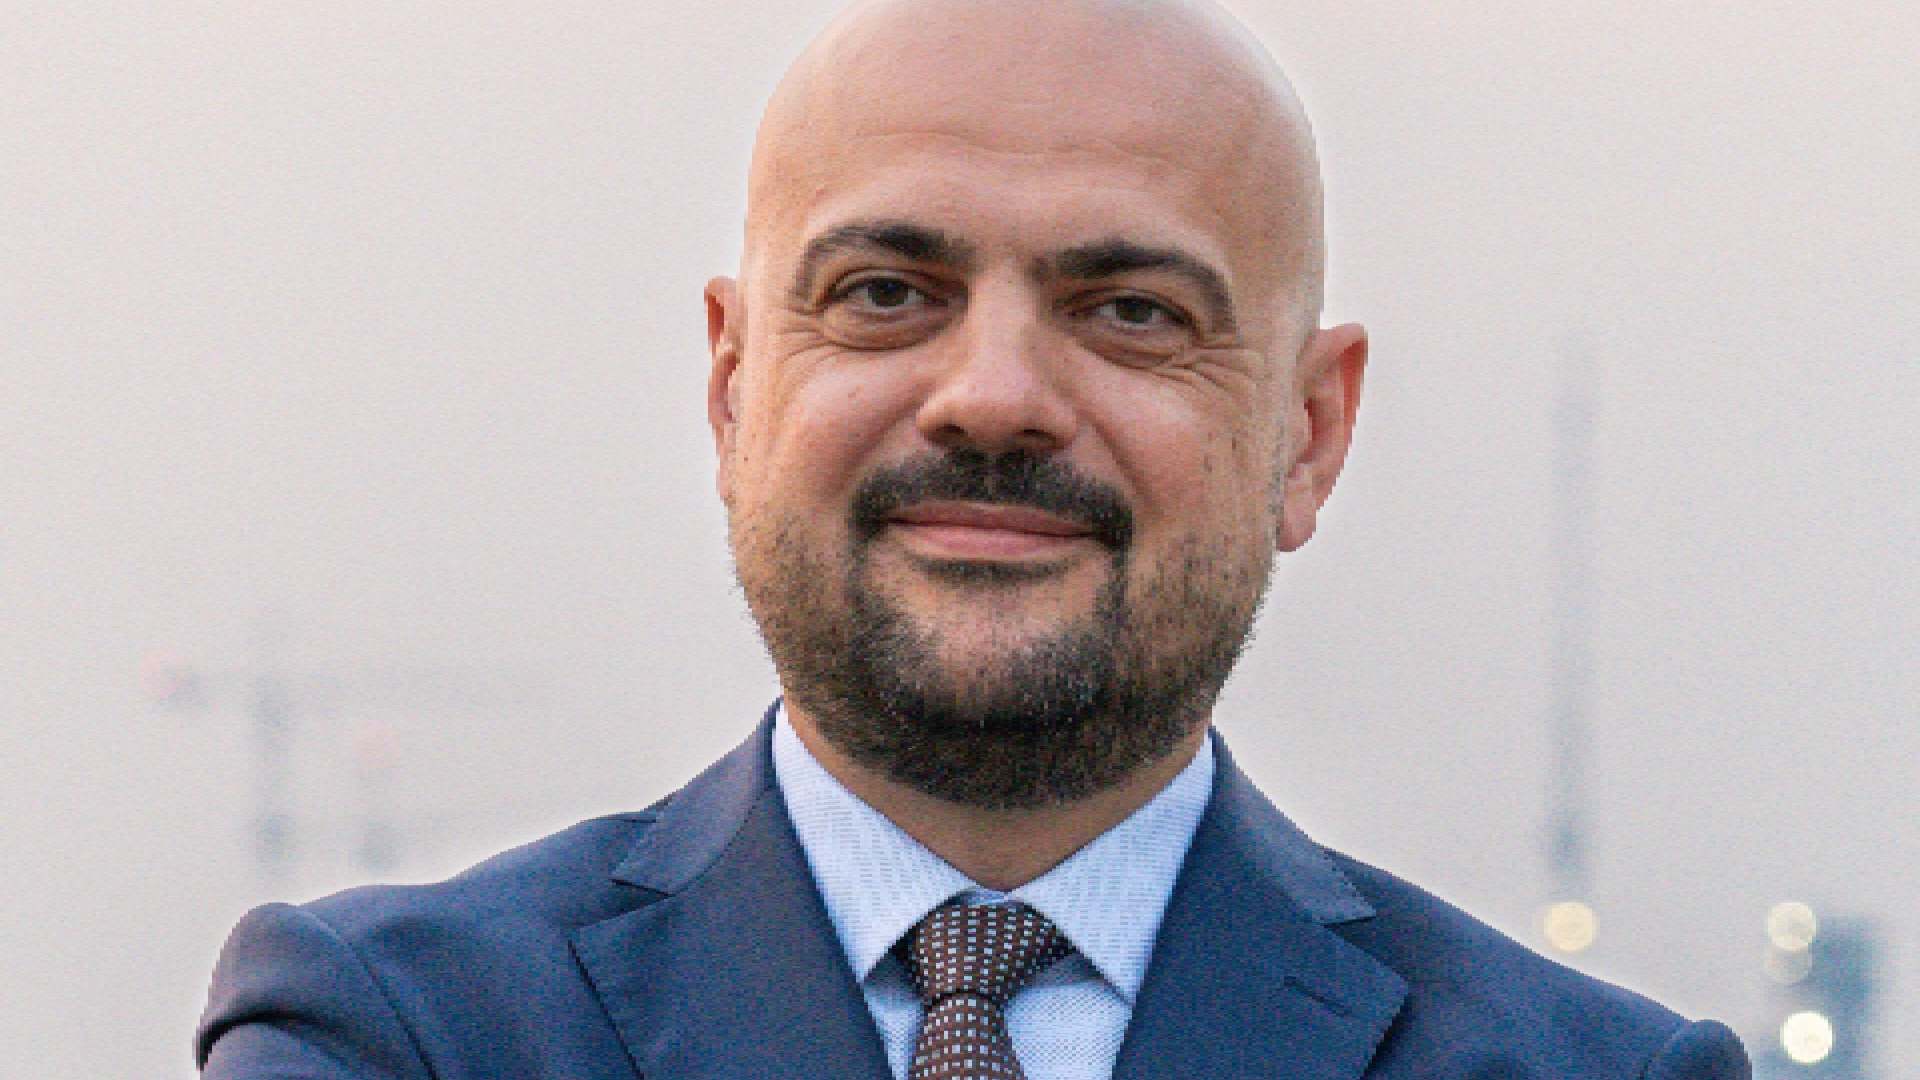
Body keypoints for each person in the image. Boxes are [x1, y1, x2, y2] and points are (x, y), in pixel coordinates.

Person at [196, 1, 1751, 1076]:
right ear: (736, 389)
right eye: (887, 293)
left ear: (1311, 432)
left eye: (1130, 311)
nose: (993, 398)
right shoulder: (399, 1038)